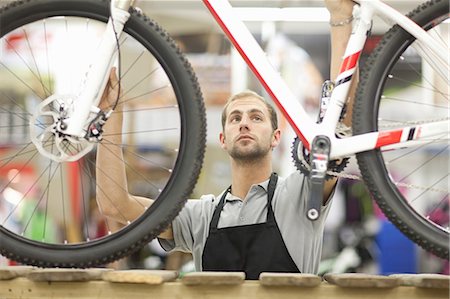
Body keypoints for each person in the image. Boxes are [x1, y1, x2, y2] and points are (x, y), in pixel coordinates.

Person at [96, 0, 357, 279]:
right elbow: (115, 205)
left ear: (275, 137)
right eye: (235, 118)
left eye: (256, 117)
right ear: (223, 139)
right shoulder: (201, 217)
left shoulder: (298, 197)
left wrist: (340, 18)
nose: (244, 122)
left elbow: (338, 130)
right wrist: (111, 116)